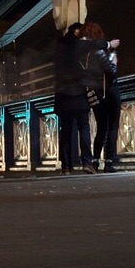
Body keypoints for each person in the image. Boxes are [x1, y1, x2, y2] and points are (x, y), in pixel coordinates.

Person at [52, 22, 94, 173]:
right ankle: (87, 163)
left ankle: (66, 167)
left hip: (63, 96)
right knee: (83, 128)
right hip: (79, 95)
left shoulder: (59, 48)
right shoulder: (78, 46)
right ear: (76, 31)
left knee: (66, 131)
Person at [84, 20, 123, 171]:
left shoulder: (84, 55)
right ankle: (109, 162)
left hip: (95, 94)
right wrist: (114, 62)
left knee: (101, 127)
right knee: (112, 126)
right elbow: (111, 72)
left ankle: (94, 162)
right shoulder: (99, 52)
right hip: (109, 91)